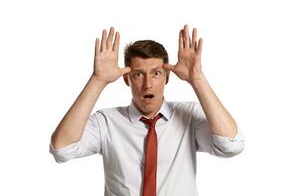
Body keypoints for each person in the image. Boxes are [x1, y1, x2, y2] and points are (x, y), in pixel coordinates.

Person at [49, 24, 245, 196]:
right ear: (127, 79)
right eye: (138, 74)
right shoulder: (106, 122)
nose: (148, 84)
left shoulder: (188, 117)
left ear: (167, 77)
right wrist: (98, 80)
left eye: (156, 73)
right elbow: (62, 149)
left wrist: (197, 79)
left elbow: (230, 145)